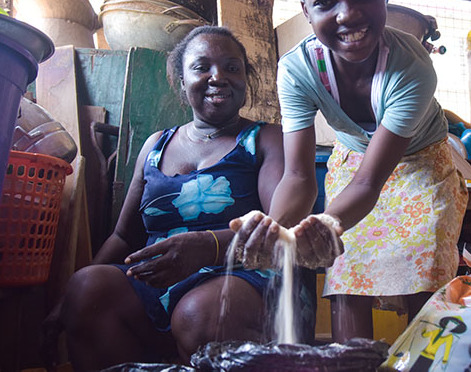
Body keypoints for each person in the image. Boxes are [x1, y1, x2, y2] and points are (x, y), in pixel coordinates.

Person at [234, 0, 468, 343]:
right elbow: (299, 177)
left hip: (421, 166)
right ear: (306, 11)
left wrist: (326, 222)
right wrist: (275, 229)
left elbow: (369, 182)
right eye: (325, 2)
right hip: (353, 160)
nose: (348, 14)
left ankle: (427, 364)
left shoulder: (412, 69)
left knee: (425, 276)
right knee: (346, 274)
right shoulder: (297, 71)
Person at [43, 26, 294, 370]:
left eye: (232, 68)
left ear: (245, 80)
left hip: (243, 278)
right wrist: (67, 297)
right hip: (158, 287)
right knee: (87, 288)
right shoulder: (155, 145)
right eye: (201, 67)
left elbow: (277, 230)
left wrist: (208, 245)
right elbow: (123, 237)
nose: (218, 77)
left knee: (199, 313)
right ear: (180, 82)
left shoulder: (265, 139)